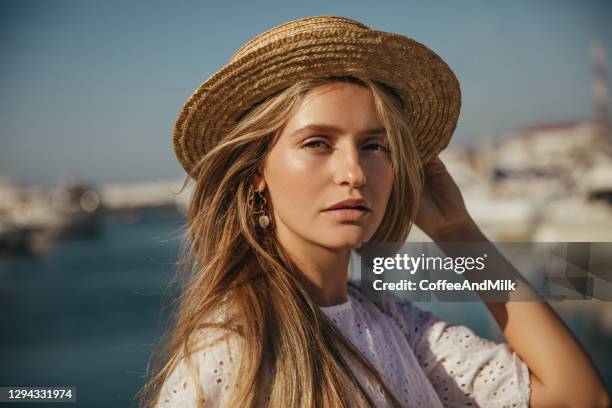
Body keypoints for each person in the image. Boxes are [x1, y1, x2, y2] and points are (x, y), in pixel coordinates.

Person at [140, 16, 609, 407]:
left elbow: (577, 396)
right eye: (317, 143)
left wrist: (458, 232)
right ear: (256, 171)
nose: (355, 172)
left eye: (373, 146)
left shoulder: (393, 321)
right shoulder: (230, 350)